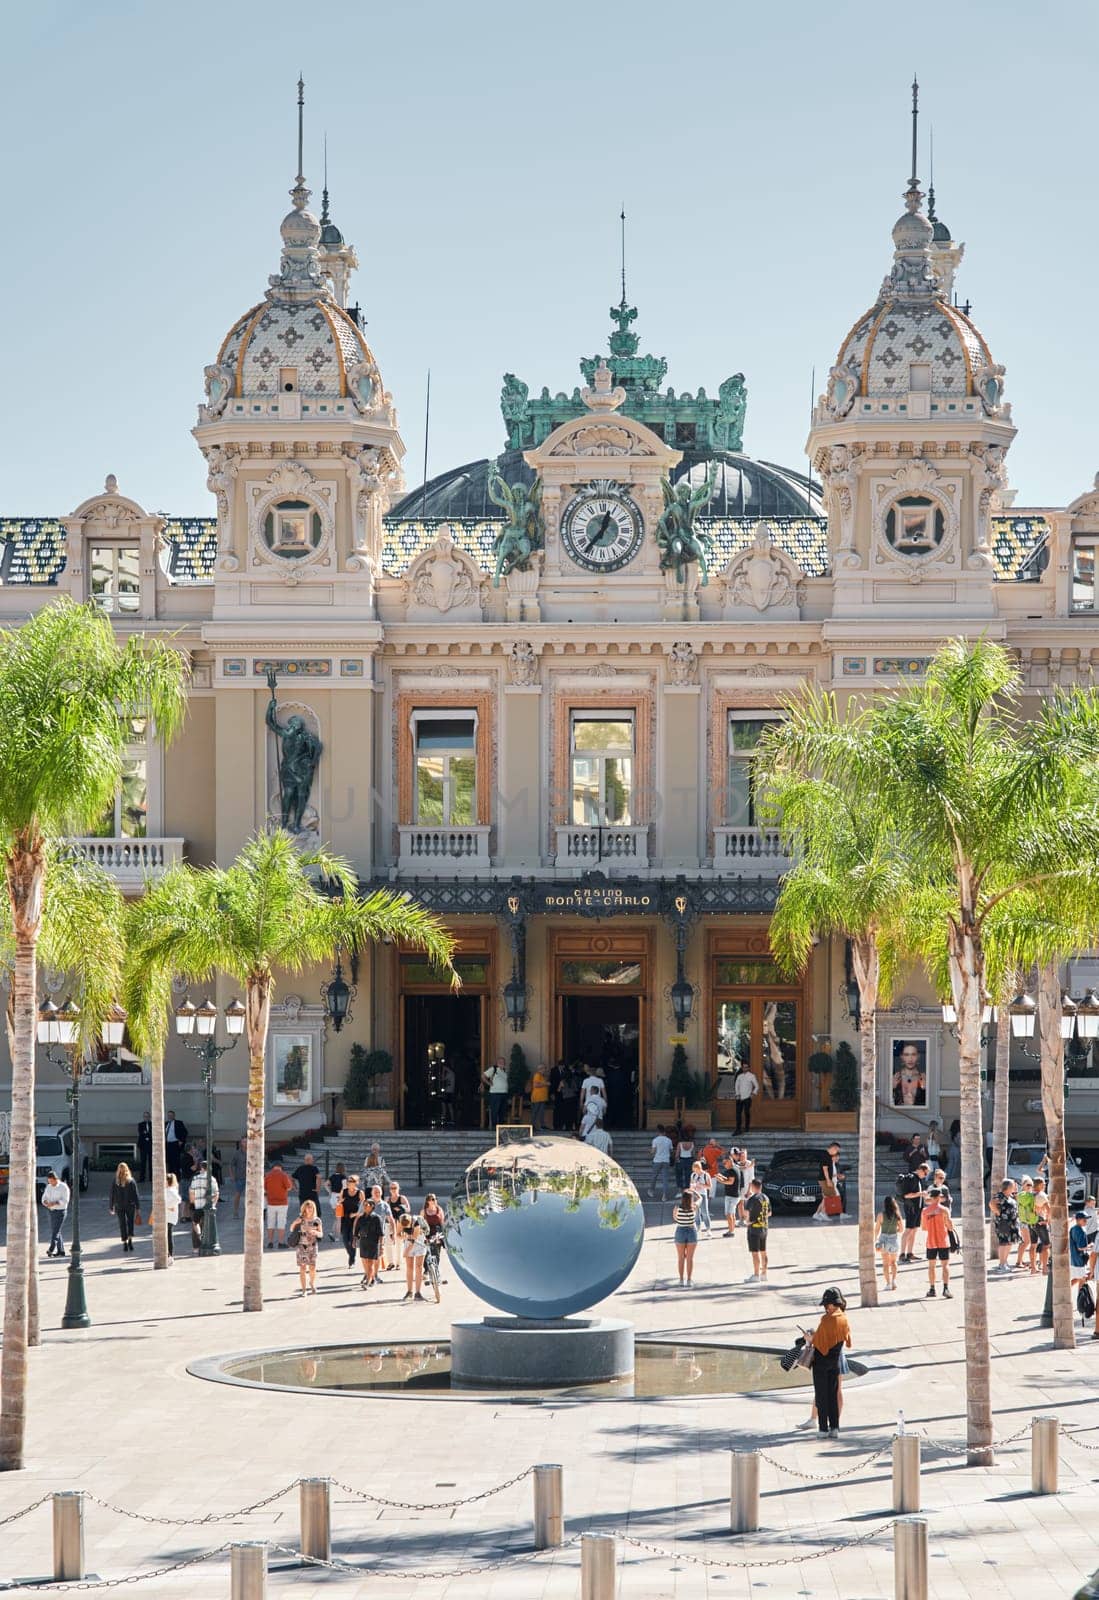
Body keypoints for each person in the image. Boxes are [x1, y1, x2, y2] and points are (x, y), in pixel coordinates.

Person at [811, 1288, 852, 1436]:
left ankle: (822, 1429)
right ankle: (834, 1427)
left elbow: (819, 1342)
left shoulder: (826, 1319)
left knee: (821, 1395)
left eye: (826, 1305)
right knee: (833, 1395)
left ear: (830, 1304)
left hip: (821, 1362)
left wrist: (809, 1338)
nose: (826, 1308)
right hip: (835, 1362)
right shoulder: (844, 1318)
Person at [921, 1186, 953, 1298]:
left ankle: (932, 1288)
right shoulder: (944, 1210)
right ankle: (946, 1288)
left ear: (931, 1198)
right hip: (943, 1240)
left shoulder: (925, 1211)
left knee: (931, 1266)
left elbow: (924, 1227)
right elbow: (950, 1227)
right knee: (945, 1265)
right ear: (939, 1198)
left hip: (931, 1241)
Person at [288, 1199, 323, 1296]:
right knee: (302, 1268)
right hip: (301, 1246)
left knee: (312, 1267)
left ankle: (312, 1283)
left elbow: (321, 1234)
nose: (309, 1209)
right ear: (304, 1209)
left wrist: (316, 1232)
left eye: (311, 1207)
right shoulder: (301, 1219)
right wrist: (295, 1222)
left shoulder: (317, 1220)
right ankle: (304, 1290)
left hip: (313, 1246)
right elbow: (291, 1229)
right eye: (308, 1207)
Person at [898, 1162, 930, 1262]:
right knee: (908, 1230)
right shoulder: (912, 1178)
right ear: (920, 1170)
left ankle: (910, 1253)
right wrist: (921, 1193)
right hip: (911, 1208)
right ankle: (902, 1254)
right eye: (925, 1173)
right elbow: (906, 1195)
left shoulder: (918, 1180)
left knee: (914, 1230)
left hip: (918, 1208)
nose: (925, 1176)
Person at [741, 1178, 770, 1282]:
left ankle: (756, 1275)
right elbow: (769, 1213)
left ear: (753, 1187)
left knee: (755, 1252)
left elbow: (746, 1213)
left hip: (754, 1229)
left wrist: (747, 1221)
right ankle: (764, 1274)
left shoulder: (752, 1199)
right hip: (764, 1227)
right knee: (763, 1251)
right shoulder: (766, 1198)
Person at [109, 1161, 140, 1253]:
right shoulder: (131, 1180)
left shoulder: (116, 1181)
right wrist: (138, 1207)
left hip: (119, 1205)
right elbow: (136, 1195)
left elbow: (112, 1194)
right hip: (130, 1205)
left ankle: (125, 1242)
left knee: (122, 1224)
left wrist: (111, 1206)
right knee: (130, 1223)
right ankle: (130, 1240)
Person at [990, 1179, 1021, 1272]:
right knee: (1004, 1242)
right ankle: (1001, 1264)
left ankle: (1005, 1262)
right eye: (1012, 1186)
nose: (1014, 1187)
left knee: (1009, 1242)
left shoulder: (1010, 1196)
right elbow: (991, 1203)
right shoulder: (1000, 1196)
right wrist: (997, 1212)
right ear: (1007, 1187)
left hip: (1012, 1222)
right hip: (1003, 1222)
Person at [354, 1198, 384, 1289]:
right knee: (365, 1261)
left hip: (373, 1242)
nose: (365, 1206)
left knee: (370, 1262)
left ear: (372, 1207)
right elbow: (356, 1230)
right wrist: (354, 1240)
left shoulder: (376, 1218)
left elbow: (381, 1233)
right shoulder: (361, 1218)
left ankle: (368, 1281)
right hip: (363, 1242)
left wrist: (381, 1245)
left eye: (367, 1205)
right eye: (364, 1205)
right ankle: (370, 1278)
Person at [189, 1161, 219, 1251]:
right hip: (208, 1206)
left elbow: (191, 1192)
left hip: (198, 1205)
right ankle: (206, 1243)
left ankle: (197, 1245)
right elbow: (216, 1193)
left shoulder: (195, 1178)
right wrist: (213, 1204)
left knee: (195, 1223)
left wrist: (192, 1202)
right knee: (207, 1225)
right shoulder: (212, 1179)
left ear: (201, 1168)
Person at [672, 1189, 699, 1288]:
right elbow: (700, 1198)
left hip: (680, 1231)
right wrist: (694, 1191)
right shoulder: (694, 1207)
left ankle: (681, 1280)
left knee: (680, 1258)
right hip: (692, 1231)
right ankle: (689, 1280)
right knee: (690, 1258)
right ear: (691, 1198)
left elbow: (675, 1218)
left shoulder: (677, 1208)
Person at [875, 1194, 902, 1290]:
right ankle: (894, 1280)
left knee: (885, 1263)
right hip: (894, 1240)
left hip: (883, 1240)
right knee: (894, 1262)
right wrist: (895, 1231)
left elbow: (877, 1229)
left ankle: (888, 1283)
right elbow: (901, 1229)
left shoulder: (880, 1215)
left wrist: (875, 1239)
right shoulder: (897, 1215)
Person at [264, 1161, 294, 1249]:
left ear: (273, 1167)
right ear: (280, 1167)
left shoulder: (268, 1175)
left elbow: (265, 1188)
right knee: (281, 1223)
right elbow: (289, 1187)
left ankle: (270, 1242)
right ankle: (280, 1242)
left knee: (270, 1223)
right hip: (282, 1203)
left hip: (270, 1203)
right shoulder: (284, 1175)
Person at [813, 1142, 846, 1221]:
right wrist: (828, 1180)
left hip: (825, 1179)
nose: (836, 1152)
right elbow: (825, 1170)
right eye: (836, 1150)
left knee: (826, 1197)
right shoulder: (825, 1156)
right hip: (824, 1180)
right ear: (833, 1148)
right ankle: (823, 1213)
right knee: (829, 1197)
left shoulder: (828, 1155)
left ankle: (816, 1214)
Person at [41, 1170, 69, 1257]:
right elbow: (44, 1198)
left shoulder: (63, 1187)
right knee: (56, 1231)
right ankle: (61, 1251)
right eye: (49, 1181)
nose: (51, 1183)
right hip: (51, 1211)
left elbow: (65, 1201)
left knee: (56, 1231)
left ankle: (51, 1248)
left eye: (52, 1181)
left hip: (60, 1211)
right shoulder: (48, 1187)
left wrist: (55, 1203)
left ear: (56, 1179)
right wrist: (46, 1203)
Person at [338, 1174, 364, 1266]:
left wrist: (356, 1214)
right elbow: (339, 1202)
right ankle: (351, 1255)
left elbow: (364, 1207)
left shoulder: (360, 1193)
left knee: (352, 1239)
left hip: (355, 1219)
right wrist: (340, 1201)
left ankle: (352, 1260)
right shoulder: (344, 1191)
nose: (349, 1183)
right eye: (348, 1181)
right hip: (345, 1218)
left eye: (352, 1181)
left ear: (356, 1183)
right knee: (345, 1240)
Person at [402, 1216, 428, 1301]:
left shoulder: (416, 1223)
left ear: (411, 1222)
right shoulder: (400, 1221)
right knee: (409, 1268)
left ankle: (418, 1293)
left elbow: (414, 1240)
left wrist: (406, 1252)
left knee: (419, 1267)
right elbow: (398, 1234)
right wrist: (403, 1237)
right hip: (408, 1241)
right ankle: (409, 1291)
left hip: (418, 1241)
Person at [1015, 1176, 1038, 1272]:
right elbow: (1027, 1202)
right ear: (1023, 1185)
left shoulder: (1030, 1195)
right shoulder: (1023, 1195)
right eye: (1027, 1184)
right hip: (1025, 1221)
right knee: (1026, 1242)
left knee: (1030, 1242)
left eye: (1031, 1185)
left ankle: (1023, 1261)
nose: (1030, 1186)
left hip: (1030, 1221)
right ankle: (1019, 1261)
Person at [716, 1147, 741, 1236]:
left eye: (725, 1163)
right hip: (733, 1195)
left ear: (729, 1162)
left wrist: (720, 1180)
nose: (724, 1165)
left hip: (732, 1195)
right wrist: (721, 1177)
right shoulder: (733, 1168)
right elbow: (728, 1179)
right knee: (732, 1214)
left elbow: (730, 1182)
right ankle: (732, 1230)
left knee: (729, 1214)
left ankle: (731, 1231)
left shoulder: (732, 1170)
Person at [368, 1183, 393, 1269]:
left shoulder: (385, 1205)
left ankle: (374, 1274)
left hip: (380, 1235)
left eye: (379, 1192)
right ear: (371, 1193)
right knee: (369, 1256)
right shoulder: (366, 1203)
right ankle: (369, 1273)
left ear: (381, 1193)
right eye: (375, 1192)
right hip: (368, 1234)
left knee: (379, 1254)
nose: (377, 1194)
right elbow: (359, 1217)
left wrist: (392, 1232)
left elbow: (391, 1219)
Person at [387, 1181, 410, 1270]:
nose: (393, 1190)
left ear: (398, 1188)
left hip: (400, 1223)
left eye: (395, 1188)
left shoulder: (402, 1198)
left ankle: (398, 1263)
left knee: (399, 1243)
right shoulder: (388, 1199)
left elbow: (408, 1209)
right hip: (390, 1222)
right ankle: (390, 1262)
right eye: (391, 1188)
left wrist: (400, 1207)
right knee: (388, 1243)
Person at [733, 1062, 759, 1134]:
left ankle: (747, 1128)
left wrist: (753, 1093)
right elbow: (736, 1086)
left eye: (746, 1067)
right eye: (744, 1067)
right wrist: (737, 1094)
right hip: (739, 1098)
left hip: (747, 1098)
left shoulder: (752, 1076)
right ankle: (738, 1129)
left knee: (746, 1113)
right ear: (742, 1068)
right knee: (738, 1114)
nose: (745, 1068)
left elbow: (757, 1086)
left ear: (749, 1068)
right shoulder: (739, 1076)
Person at [1032, 1177, 1051, 1274]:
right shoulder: (1041, 1195)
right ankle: (1044, 1268)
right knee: (1046, 1245)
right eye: (1043, 1184)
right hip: (1040, 1222)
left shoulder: (1029, 1194)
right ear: (1039, 1185)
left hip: (1031, 1222)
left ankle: (1033, 1268)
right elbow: (1049, 1210)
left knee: (1033, 1245)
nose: (1045, 1185)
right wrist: (1047, 1221)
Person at [482, 1057, 508, 1129]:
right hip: (495, 1093)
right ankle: (494, 1126)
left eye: (503, 1062)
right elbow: (483, 1076)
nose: (502, 1063)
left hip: (504, 1094)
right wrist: (489, 1083)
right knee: (495, 1110)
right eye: (500, 1062)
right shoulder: (493, 1069)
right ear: (497, 1063)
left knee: (502, 1111)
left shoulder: (504, 1071)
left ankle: (501, 1127)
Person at [650, 1125, 673, 1201]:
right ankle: (664, 1196)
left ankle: (651, 1191)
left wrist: (650, 1152)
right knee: (665, 1179)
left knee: (654, 1176)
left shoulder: (655, 1140)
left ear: (658, 1132)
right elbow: (671, 1151)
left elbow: (653, 1151)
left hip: (657, 1160)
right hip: (666, 1160)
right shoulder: (669, 1140)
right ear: (664, 1132)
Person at [689, 1160, 712, 1236]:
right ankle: (698, 1227)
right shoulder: (693, 1175)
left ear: (700, 1168)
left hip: (702, 1194)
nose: (696, 1171)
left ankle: (708, 1228)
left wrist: (701, 1185)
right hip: (695, 1194)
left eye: (697, 1169)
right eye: (694, 1170)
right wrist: (693, 1186)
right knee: (696, 1213)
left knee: (704, 1212)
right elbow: (691, 1184)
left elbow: (709, 1186)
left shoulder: (706, 1175)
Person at [1070, 1211, 1090, 1289]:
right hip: (1079, 1258)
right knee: (1082, 1278)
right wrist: (1089, 1247)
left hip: (1075, 1258)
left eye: (1086, 1219)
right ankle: (1081, 1298)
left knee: (1079, 1278)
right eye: (1084, 1219)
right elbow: (1080, 1247)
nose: (1086, 1221)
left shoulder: (1074, 1228)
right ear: (1078, 1220)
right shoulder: (1080, 1230)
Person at [556, 1063, 579, 1131]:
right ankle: (572, 1126)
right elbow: (576, 1090)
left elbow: (558, 1090)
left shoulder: (562, 1081)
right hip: (573, 1098)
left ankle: (566, 1126)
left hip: (566, 1099)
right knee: (572, 1113)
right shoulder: (573, 1081)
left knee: (566, 1113)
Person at [164, 1111, 188, 1178]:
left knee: (176, 1161)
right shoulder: (166, 1123)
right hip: (167, 1144)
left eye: (171, 1115)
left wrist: (181, 1141)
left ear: (174, 1116)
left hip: (175, 1144)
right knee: (169, 1161)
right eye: (169, 1115)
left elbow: (185, 1132)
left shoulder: (178, 1123)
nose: (170, 1117)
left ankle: (177, 1176)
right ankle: (170, 1177)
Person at [163, 1172, 181, 1261]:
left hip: (169, 1217)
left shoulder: (170, 1190)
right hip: (170, 1216)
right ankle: (169, 1255)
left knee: (168, 1235)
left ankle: (169, 1255)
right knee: (168, 1235)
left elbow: (178, 1199)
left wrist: (169, 1207)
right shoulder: (171, 1189)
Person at [530, 1063, 550, 1132]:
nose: (545, 1070)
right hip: (537, 1098)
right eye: (544, 1068)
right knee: (535, 1112)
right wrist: (546, 1083)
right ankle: (533, 1126)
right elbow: (535, 1085)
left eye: (545, 1068)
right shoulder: (537, 1075)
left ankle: (542, 1125)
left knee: (541, 1112)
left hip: (542, 1098)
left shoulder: (543, 1076)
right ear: (540, 1069)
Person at [230, 1139, 247, 1218]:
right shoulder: (237, 1153)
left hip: (249, 1178)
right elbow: (231, 1165)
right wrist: (232, 1175)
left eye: (247, 1141)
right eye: (244, 1141)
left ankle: (248, 1212)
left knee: (249, 1196)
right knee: (238, 1195)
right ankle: (235, 1211)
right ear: (241, 1143)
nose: (246, 1143)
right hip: (239, 1177)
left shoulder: (251, 1151)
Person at [137, 1115, 153, 1184]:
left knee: (151, 1162)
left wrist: (146, 1134)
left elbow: (153, 1133)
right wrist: (147, 1134)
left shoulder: (152, 1124)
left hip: (151, 1145)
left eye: (147, 1116)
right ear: (143, 1117)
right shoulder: (140, 1124)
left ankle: (151, 1178)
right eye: (145, 1116)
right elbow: (141, 1133)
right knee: (143, 1162)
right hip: (143, 1145)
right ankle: (142, 1178)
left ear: (149, 1117)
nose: (146, 1118)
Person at [439, 1061, 456, 1127]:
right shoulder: (451, 1073)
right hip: (449, 1091)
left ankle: (449, 1118)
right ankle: (448, 1118)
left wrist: (443, 1070)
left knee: (447, 1105)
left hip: (449, 1092)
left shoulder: (450, 1073)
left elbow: (442, 1079)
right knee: (446, 1105)